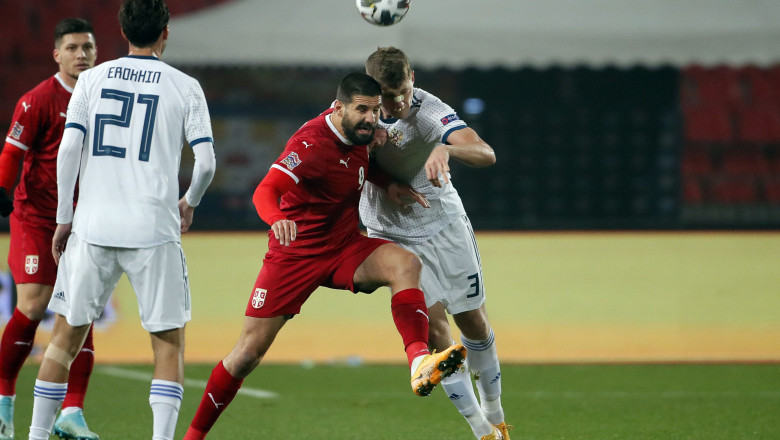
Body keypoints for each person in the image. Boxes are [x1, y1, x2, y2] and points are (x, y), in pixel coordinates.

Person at [182, 73, 466, 439]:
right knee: (246, 355)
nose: (370, 118)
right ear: (338, 108)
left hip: (345, 246)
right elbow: (265, 190)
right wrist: (277, 218)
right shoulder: (311, 144)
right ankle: (193, 436)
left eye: (374, 111)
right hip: (296, 256)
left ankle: (418, 362)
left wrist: (389, 184)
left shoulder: (363, 133)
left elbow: (358, 166)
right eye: (362, 110)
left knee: (406, 264)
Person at [26, 1, 216, 439]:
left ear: (123, 32)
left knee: (64, 339)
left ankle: (35, 435)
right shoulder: (185, 86)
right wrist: (190, 201)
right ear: (165, 32)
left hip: (93, 227)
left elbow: (68, 151)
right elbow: (206, 162)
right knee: (167, 344)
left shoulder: (91, 80)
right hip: (153, 228)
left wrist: (64, 218)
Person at [360, 47, 511, 440]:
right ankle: (483, 431)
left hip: (442, 222)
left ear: (412, 78)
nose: (398, 102)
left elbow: (486, 153)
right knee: (436, 334)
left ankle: (496, 414)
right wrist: (380, 177)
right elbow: (339, 158)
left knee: (473, 322)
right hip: (390, 231)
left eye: (403, 91)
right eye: (388, 96)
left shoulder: (430, 112)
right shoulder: (357, 111)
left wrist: (446, 148)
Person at [0, 18, 100, 440]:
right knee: (34, 305)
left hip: (85, 222)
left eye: (88, 47)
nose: (81, 54)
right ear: (56, 54)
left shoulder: (104, 97)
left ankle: (72, 412)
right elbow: (12, 153)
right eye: (73, 48)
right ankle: (3, 401)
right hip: (37, 219)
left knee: (81, 312)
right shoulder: (38, 100)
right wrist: (2, 191)